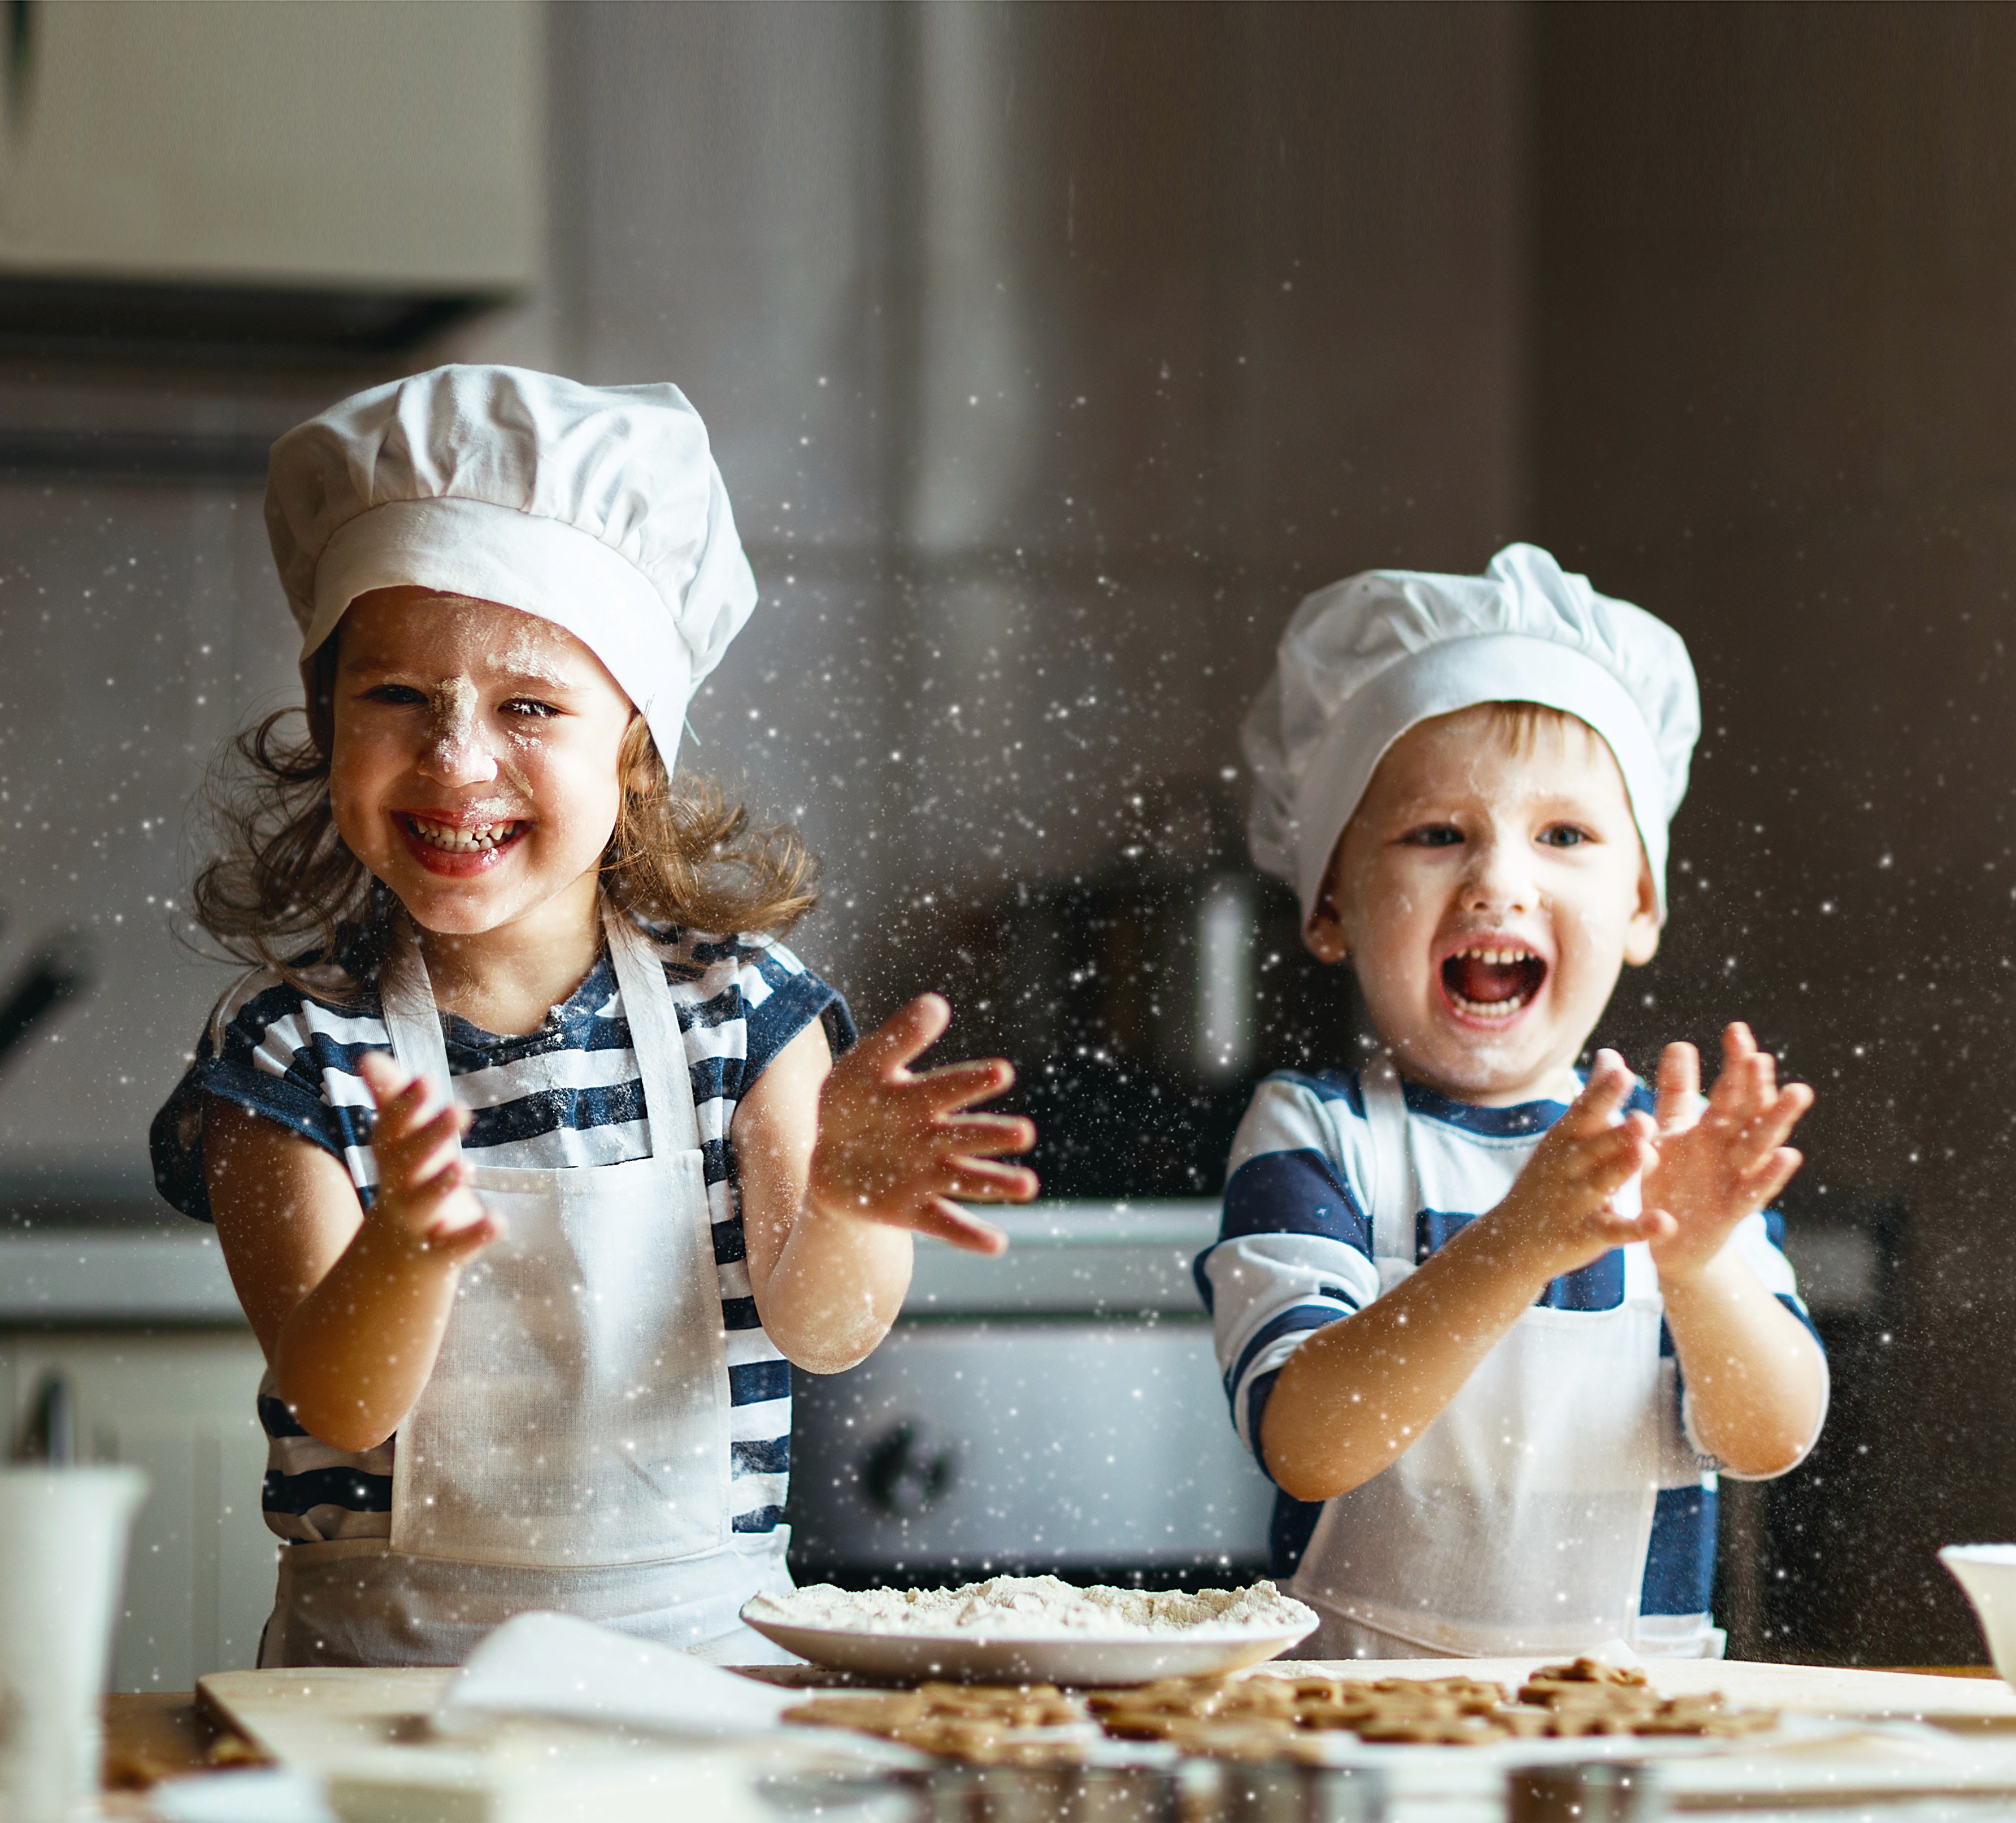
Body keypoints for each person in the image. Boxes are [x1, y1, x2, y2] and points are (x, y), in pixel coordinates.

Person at [149, 366, 1036, 1668]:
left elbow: (822, 1330)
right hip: (384, 1694)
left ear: (633, 746)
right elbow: (339, 1397)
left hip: (706, 1678)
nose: (455, 758)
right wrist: (404, 1245)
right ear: (326, 718)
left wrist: (844, 1201)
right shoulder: (291, 1054)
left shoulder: (743, 1011)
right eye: (396, 696)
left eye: (529, 706)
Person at [1201, 543, 1827, 1660]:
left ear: (1638, 904)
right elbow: (1304, 1438)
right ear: (1330, 899)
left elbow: (1768, 1435)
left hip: (1628, 1731)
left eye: (1564, 836)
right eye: (1435, 832)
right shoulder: (1315, 1134)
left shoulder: (1672, 1158)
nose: (1498, 878)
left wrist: (1692, 1262)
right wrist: (1513, 1244)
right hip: (1356, 1732)